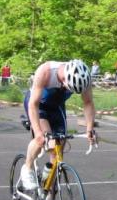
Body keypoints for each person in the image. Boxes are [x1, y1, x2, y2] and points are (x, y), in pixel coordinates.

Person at [19, 59, 95, 192]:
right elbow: (33, 104)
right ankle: (27, 168)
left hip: (56, 106)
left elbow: (88, 102)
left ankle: (48, 192)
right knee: (44, 139)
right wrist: (38, 132)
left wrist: (90, 129)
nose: (67, 90)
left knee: (58, 148)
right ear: (64, 80)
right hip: (38, 105)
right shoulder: (46, 72)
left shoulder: (85, 78)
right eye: (68, 87)